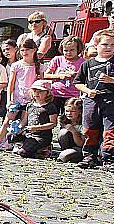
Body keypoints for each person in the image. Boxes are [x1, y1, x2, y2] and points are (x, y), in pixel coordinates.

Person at [0, 39, 39, 152]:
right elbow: (11, 83)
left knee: (22, 123)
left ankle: (16, 143)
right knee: (7, 121)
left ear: (34, 50)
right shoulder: (16, 65)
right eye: (23, 50)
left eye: (28, 50)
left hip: (30, 100)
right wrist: (9, 99)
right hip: (16, 98)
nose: (25, 52)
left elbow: (39, 82)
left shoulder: (38, 66)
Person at [75, 29, 114, 169]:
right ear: (96, 46)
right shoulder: (88, 64)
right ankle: (89, 156)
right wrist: (88, 91)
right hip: (91, 101)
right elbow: (77, 83)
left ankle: (108, 159)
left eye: (112, 45)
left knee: (110, 131)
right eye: (105, 44)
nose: (109, 48)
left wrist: (111, 80)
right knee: (89, 130)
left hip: (110, 101)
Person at [10, 80, 58, 158]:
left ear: (47, 93)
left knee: (23, 153)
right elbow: (24, 121)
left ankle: (42, 151)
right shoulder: (29, 105)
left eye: (40, 91)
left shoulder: (50, 106)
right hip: (28, 134)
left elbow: (53, 123)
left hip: (41, 136)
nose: (37, 94)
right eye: (35, 91)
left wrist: (37, 128)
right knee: (11, 136)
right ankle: (24, 145)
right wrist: (18, 128)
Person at [43, 36, 83, 113]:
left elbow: (85, 78)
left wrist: (76, 75)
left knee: (69, 117)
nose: (68, 53)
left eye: (72, 50)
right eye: (66, 50)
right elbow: (45, 75)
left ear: (78, 49)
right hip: (56, 94)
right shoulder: (57, 59)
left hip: (73, 95)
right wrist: (59, 76)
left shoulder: (83, 62)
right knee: (54, 116)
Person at [57, 97, 85, 163]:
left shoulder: (83, 124)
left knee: (63, 157)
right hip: (69, 146)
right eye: (67, 111)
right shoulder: (64, 120)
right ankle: (65, 151)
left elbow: (81, 144)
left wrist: (74, 131)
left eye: (72, 111)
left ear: (80, 112)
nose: (69, 113)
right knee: (63, 132)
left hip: (79, 148)